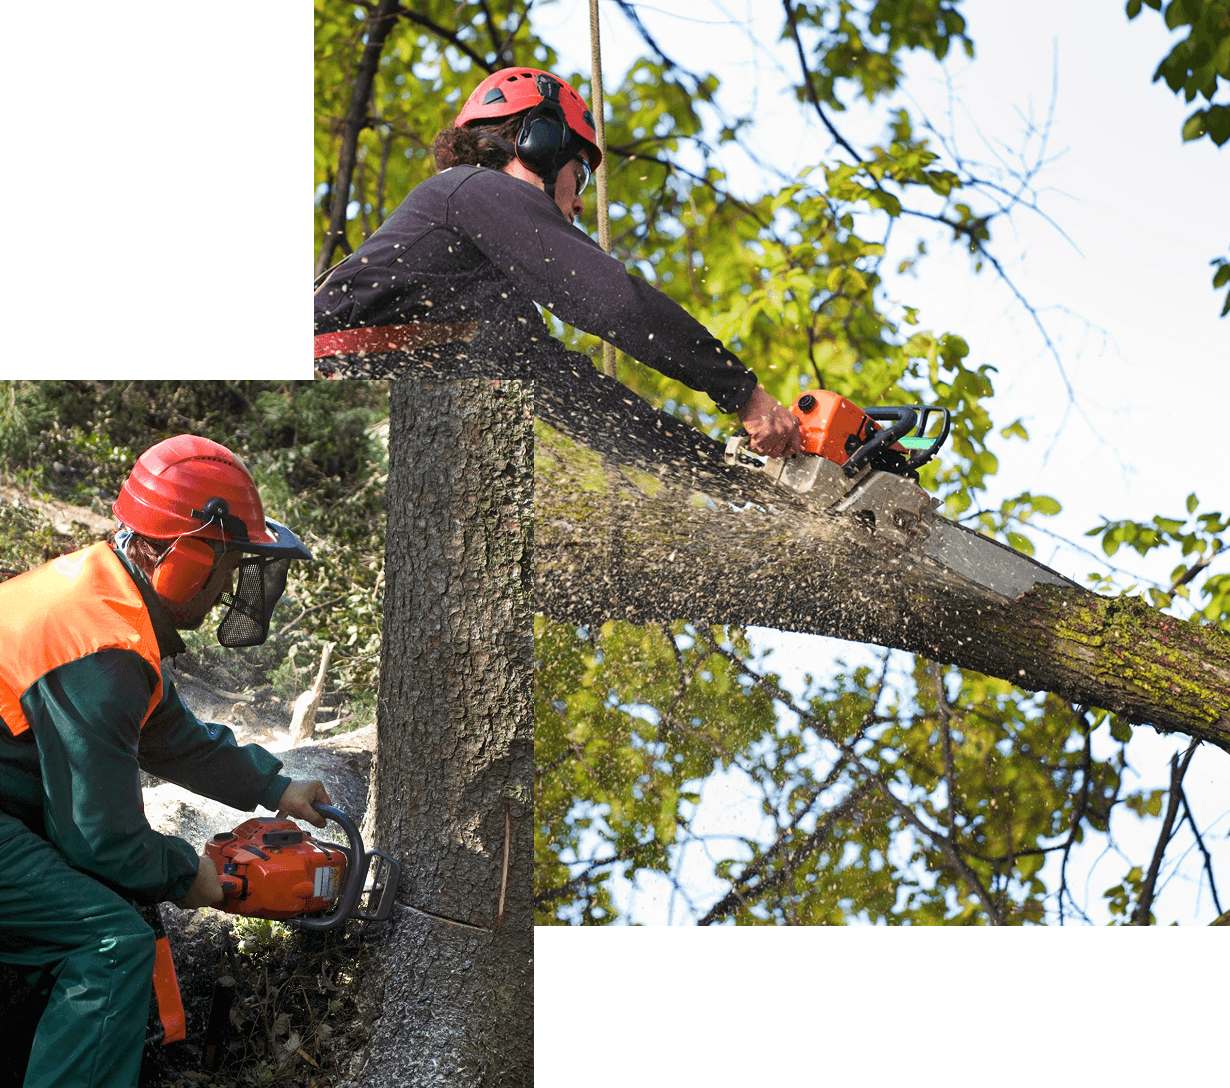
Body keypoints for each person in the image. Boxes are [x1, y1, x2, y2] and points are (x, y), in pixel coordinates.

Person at [0, 434, 331, 1088]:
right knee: (110, 945)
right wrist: (197, 878)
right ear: (189, 558)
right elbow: (101, 839)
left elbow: (172, 735)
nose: (232, 585)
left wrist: (277, 785)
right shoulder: (105, 648)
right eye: (231, 566)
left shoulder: (103, 599)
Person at [314, 65, 803, 460]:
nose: (579, 204)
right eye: (580, 177)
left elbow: (582, 400)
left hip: (360, 416)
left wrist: (724, 468)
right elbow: (614, 302)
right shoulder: (474, 188)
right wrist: (745, 394)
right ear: (539, 145)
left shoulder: (487, 296)